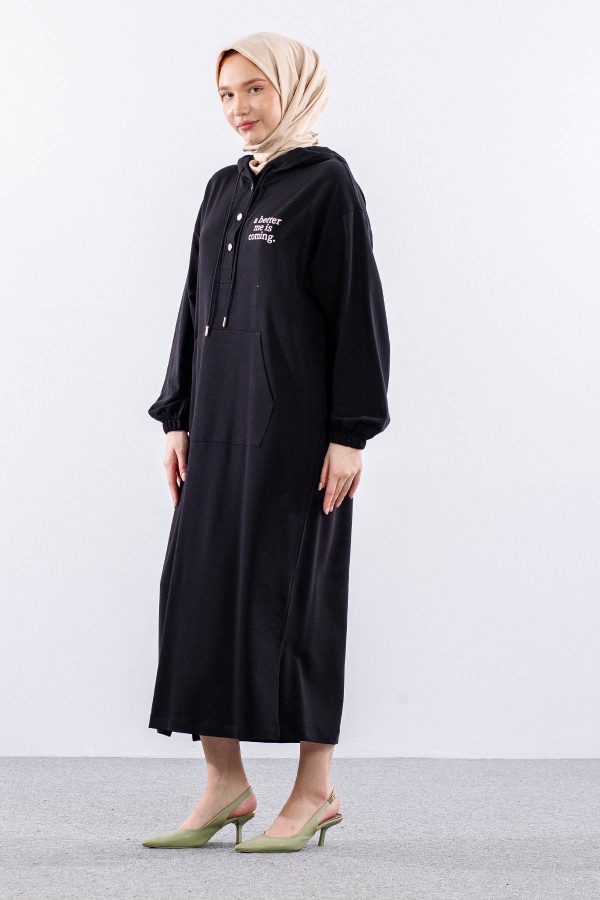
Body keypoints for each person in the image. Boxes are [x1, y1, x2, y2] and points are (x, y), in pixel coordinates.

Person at [142, 31, 391, 853]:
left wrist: (350, 434)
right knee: (200, 593)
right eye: (226, 94)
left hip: (296, 436)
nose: (239, 108)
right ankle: (226, 783)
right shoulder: (222, 188)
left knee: (297, 600)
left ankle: (315, 790)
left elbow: (356, 312)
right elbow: (192, 305)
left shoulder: (327, 185)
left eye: (255, 89)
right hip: (215, 425)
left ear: (293, 88)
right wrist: (177, 415)